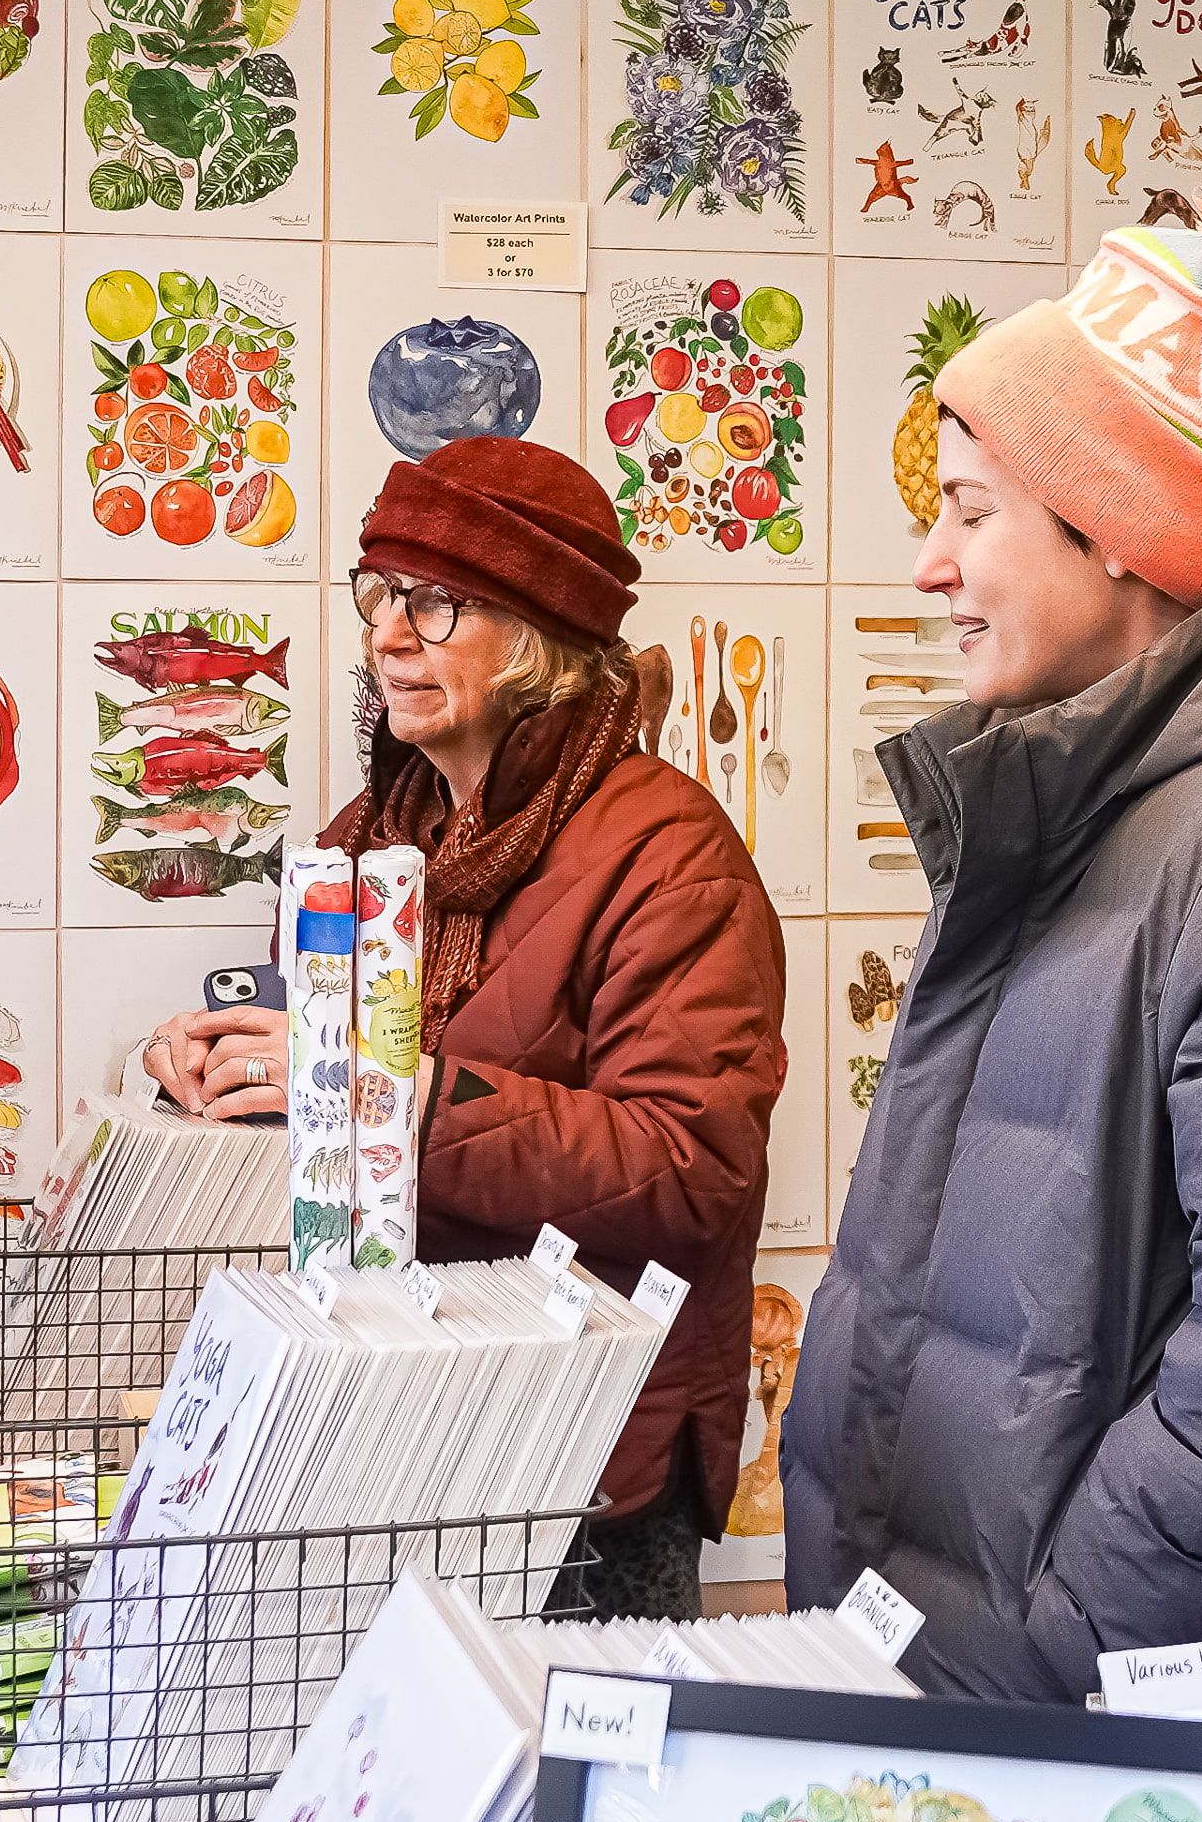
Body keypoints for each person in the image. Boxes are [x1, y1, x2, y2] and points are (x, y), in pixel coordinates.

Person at [782, 173, 1202, 1698]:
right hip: (984, 1681)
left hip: (1126, 1722)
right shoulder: (1078, 799)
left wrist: (1065, 1633)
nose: (930, 564)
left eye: (971, 512)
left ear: (1122, 537)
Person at [138, 434, 785, 1616]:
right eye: (378, 594)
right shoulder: (364, 834)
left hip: (587, 1451)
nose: (388, 635)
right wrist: (219, 1061)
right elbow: (319, 1086)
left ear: (541, 639)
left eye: (437, 604)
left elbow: (695, 1164)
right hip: (390, 1415)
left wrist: (412, 1099)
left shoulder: (669, 854)